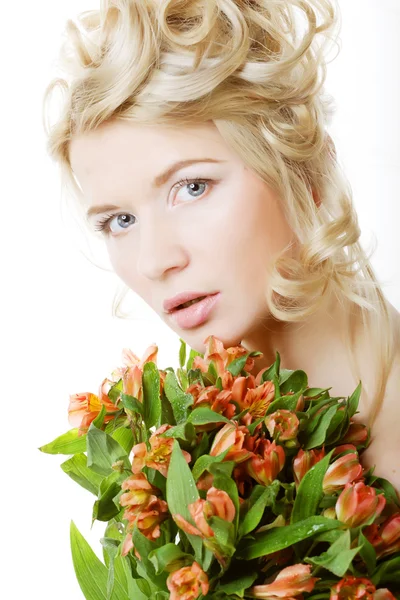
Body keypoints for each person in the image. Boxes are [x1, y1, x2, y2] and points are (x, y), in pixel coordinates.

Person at [42, 0, 400, 488]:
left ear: (301, 169)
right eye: (120, 220)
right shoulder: (173, 464)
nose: (155, 261)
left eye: (192, 187)